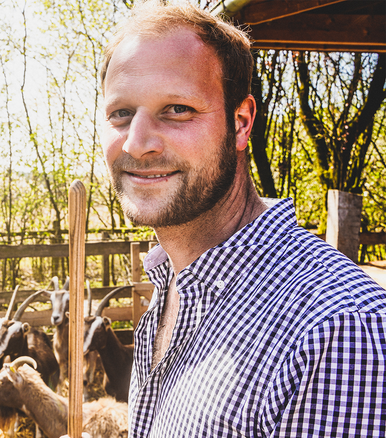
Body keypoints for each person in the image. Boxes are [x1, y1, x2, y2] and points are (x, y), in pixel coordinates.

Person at [97, 1, 386, 437]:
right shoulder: (171, 286)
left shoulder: (336, 329)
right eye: (121, 113)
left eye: (177, 109)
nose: (137, 144)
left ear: (242, 121)